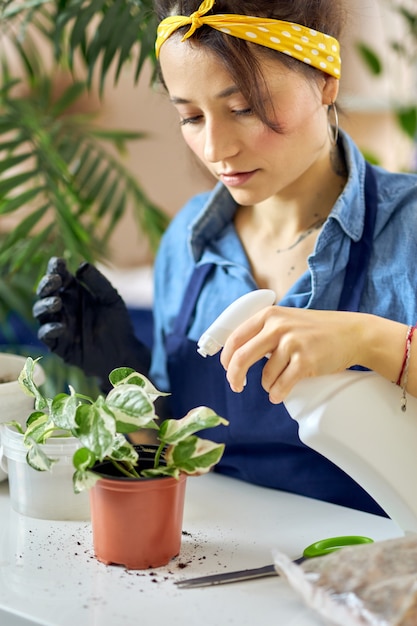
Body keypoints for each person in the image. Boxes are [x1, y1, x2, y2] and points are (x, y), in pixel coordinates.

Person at [33, 0, 417, 516]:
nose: (216, 148)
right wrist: (122, 371)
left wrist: (372, 340)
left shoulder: (407, 226)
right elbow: (165, 453)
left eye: (244, 109)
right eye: (190, 116)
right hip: (224, 559)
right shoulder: (188, 244)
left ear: (326, 79)